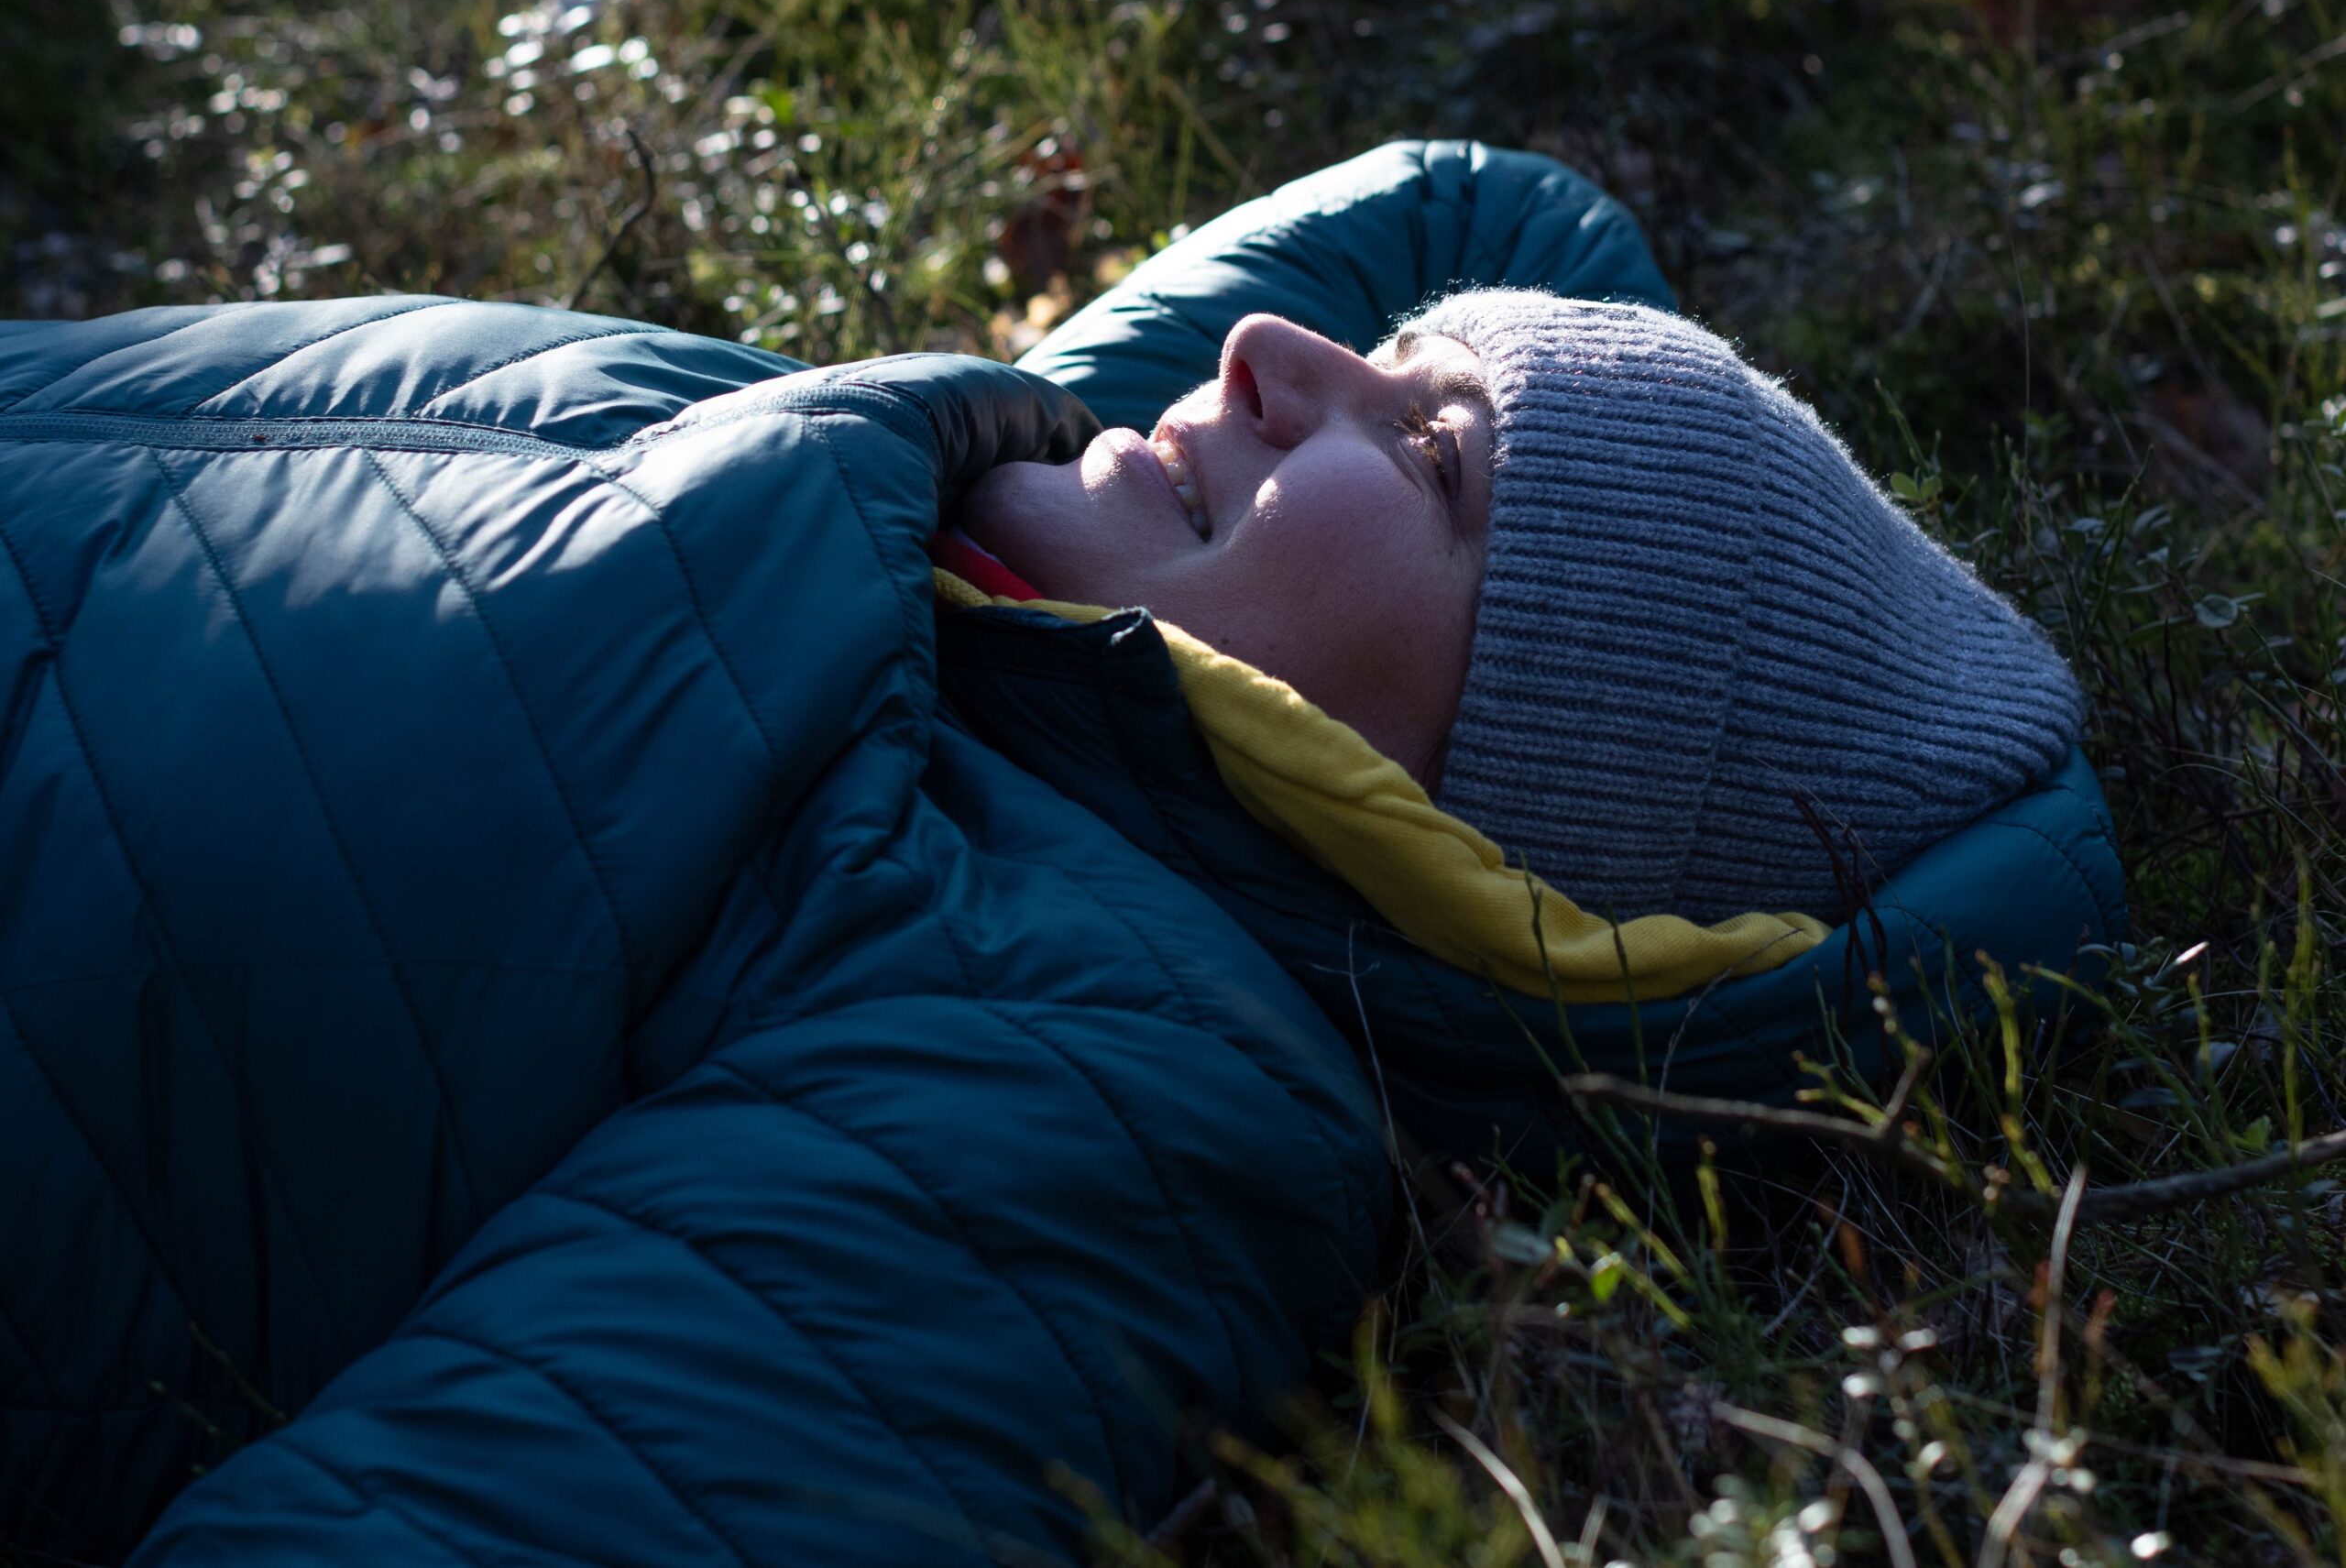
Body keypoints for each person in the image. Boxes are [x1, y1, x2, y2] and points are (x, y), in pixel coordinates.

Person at [0, 141, 2124, 1565]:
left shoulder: (1106, 1079)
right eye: (1388, 364)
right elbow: (1475, 208)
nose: (1273, 359)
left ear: (1499, 809)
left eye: (1441, 456)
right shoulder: (948, 538)